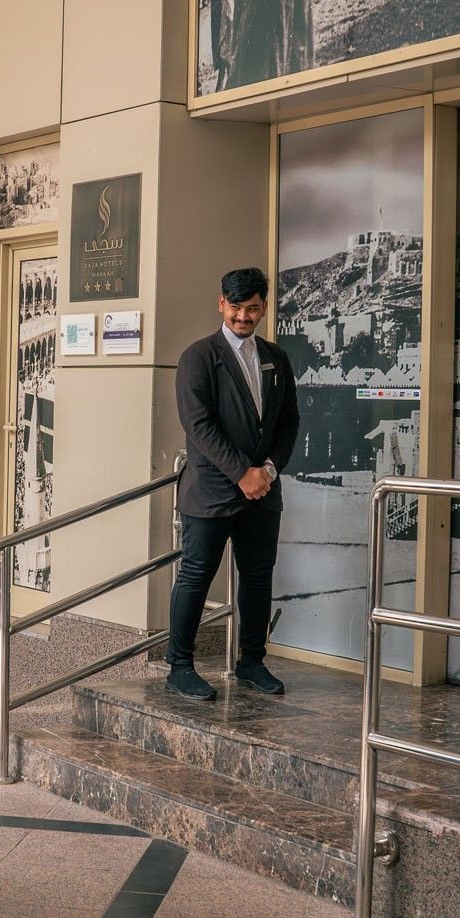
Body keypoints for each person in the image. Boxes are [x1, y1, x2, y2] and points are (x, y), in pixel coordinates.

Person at [167, 267, 301, 701]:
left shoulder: (276, 358)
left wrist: (268, 471)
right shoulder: (198, 356)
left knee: (258, 578)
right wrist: (242, 472)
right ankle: (180, 666)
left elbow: (288, 422)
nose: (244, 316)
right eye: (237, 307)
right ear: (221, 303)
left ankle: (251, 662)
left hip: (263, 491)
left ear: (263, 307)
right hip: (211, 490)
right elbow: (198, 426)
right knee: (195, 576)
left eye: (253, 308)